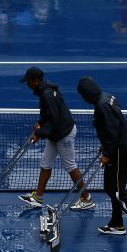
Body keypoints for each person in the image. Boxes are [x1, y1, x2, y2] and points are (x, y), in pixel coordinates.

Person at [76, 76, 127, 236]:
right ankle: (117, 224)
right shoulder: (107, 97)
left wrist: (107, 153)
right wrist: (105, 145)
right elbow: (115, 124)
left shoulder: (101, 106)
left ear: (86, 94)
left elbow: (113, 133)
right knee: (109, 187)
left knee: (116, 190)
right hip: (119, 145)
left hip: (119, 150)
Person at [18, 67, 94, 211]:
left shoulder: (46, 94)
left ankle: (87, 199)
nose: (27, 84)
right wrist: (40, 122)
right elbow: (49, 114)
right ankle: (38, 197)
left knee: (70, 166)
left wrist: (39, 134)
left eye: (28, 81)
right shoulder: (45, 90)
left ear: (36, 81)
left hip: (64, 133)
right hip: (56, 132)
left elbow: (54, 121)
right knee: (45, 163)